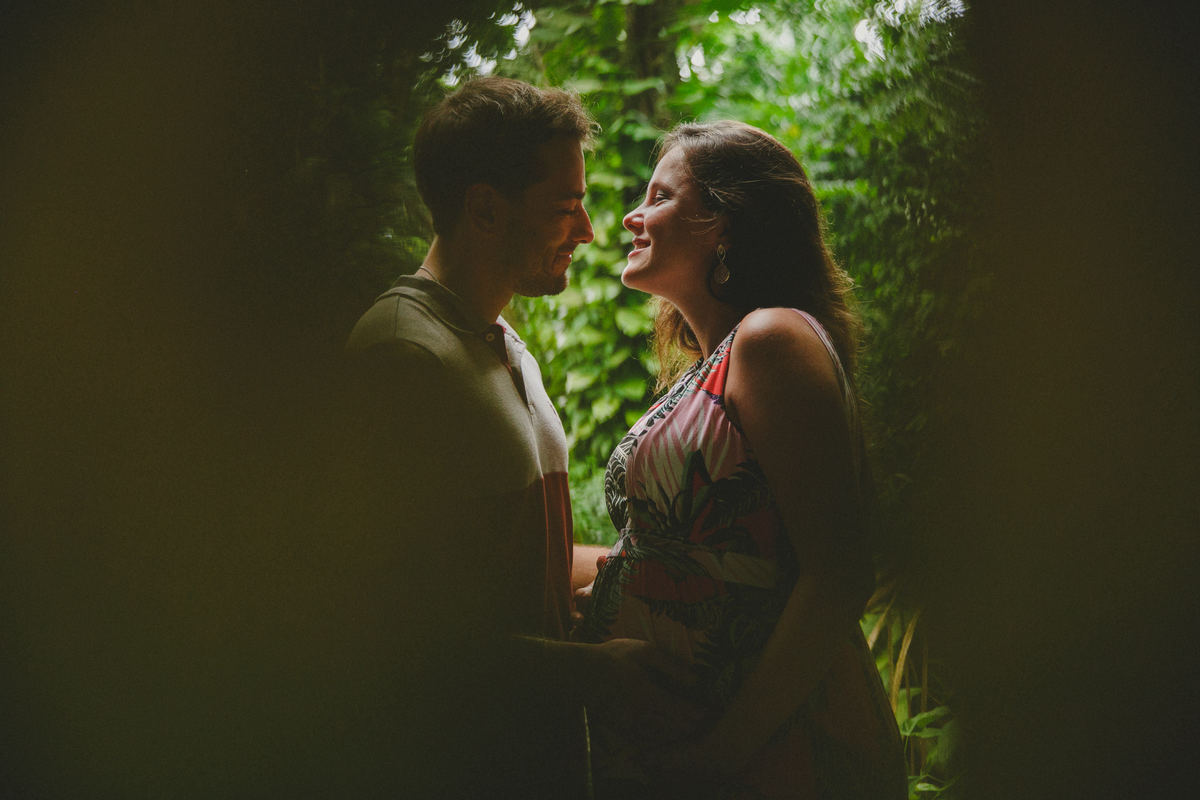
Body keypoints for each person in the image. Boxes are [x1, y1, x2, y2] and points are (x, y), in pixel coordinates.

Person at [576, 121, 907, 799]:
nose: (633, 216)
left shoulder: (770, 339)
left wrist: (718, 756)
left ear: (723, 227)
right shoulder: (713, 365)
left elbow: (838, 573)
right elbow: (711, 556)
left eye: (660, 197)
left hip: (778, 754)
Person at [341, 75, 603, 798]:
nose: (587, 231)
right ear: (485, 209)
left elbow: (494, 565)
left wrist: (625, 572)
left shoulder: (503, 343)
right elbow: (395, 635)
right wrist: (596, 671)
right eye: (565, 208)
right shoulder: (403, 357)